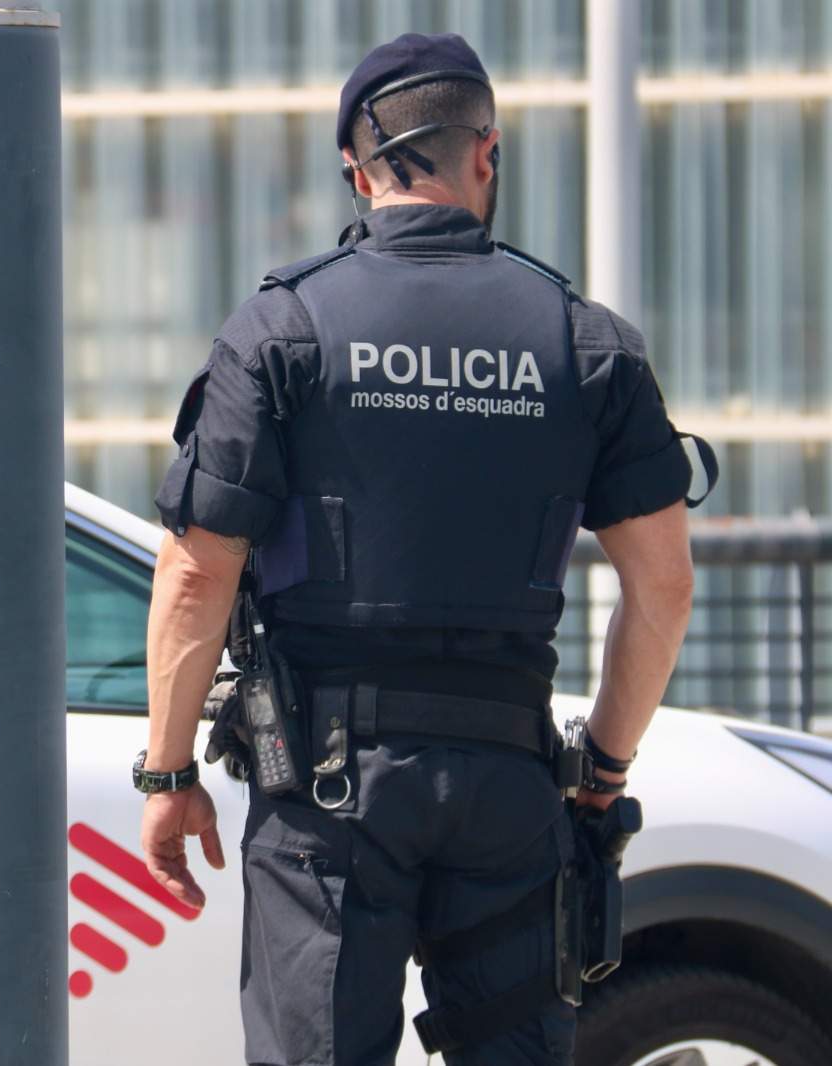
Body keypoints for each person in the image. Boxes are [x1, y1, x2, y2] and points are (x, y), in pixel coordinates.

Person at [136, 32, 704, 1066]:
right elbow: (662, 589)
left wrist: (166, 772)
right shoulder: (587, 343)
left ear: (358, 173)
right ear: (485, 155)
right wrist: (601, 774)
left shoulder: (283, 328)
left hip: (327, 791)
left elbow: (195, 572)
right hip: (507, 783)